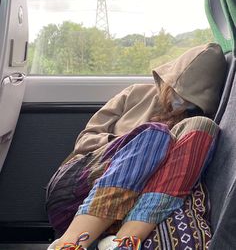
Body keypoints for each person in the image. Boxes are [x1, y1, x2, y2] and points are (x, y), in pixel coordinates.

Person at [46, 43, 227, 250]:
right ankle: (68, 245)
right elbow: (85, 140)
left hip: (136, 205)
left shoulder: (192, 123)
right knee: (155, 135)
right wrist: (129, 145)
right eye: (177, 95)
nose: (180, 105)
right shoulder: (135, 94)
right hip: (81, 184)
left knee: (204, 128)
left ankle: (123, 243)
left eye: (190, 102)